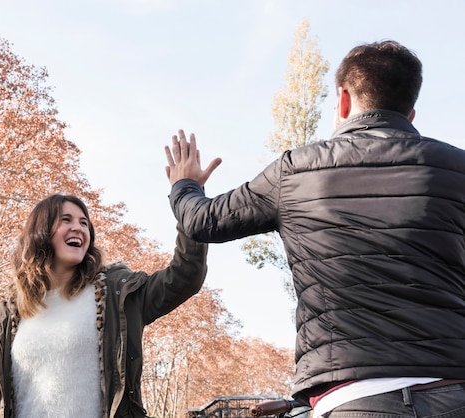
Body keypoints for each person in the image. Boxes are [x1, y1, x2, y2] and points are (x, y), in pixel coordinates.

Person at [163, 40, 465, 417]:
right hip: (453, 393)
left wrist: (185, 185)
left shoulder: (296, 171)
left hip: (351, 399)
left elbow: (202, 221)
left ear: (342, 101)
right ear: (411, 112)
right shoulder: (457, 170)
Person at [0, 193, 208, 417]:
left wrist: (187, 196)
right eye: (66, 220)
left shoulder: (117, 293)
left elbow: (185, 276)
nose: (79, 228)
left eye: (84, 223)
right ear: (41, 231)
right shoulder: (11, 312)